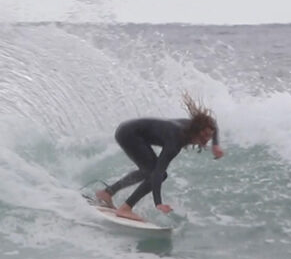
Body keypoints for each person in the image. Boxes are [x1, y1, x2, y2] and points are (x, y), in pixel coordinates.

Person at [96, 93, 225, 221]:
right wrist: (158, 203)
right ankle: (125, 208)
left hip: (128, 130)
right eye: (206, 136)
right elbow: (158, 172)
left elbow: (211, 123)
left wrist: (216, 144)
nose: (207, 140)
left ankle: (107, 193)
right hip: (129, 134)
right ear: (197, 131)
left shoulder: (193, 126)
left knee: (146, 171)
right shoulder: (176, 140)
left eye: (210, 136)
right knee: (157, 174)